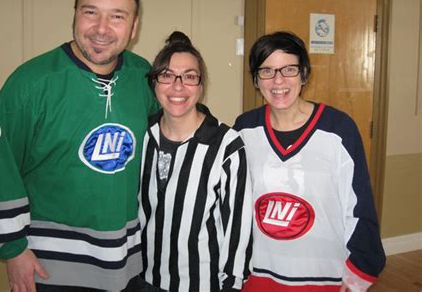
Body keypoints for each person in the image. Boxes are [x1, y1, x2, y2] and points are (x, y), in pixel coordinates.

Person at [0, 0, 158, 291]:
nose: (101, 28)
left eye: (117, 16)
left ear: (134, 27)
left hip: (129, 261)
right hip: (52, 268)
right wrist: (14, 250)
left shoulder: (143, 77)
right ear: (75, 14)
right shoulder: (30, 83)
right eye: (91, 12)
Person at [234, 31, 386, 291]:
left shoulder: (338, 129)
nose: (278, 80)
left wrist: (359, 271)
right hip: (259, 275)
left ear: (304, 73)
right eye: (267, 71)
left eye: (289, 69)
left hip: (326, 277)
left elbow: (358, 207)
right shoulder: (244, 129)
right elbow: (234, 206)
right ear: (256, 80)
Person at [137, 31, 253, 292]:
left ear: (201, 87)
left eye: (190, 77)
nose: (178, 86)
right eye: (167, 75)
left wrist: (232, 284)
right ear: (154, 82)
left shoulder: (227, 145)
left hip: (203, 285)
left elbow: (239, 228)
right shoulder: (143, 136)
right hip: (144, 281)